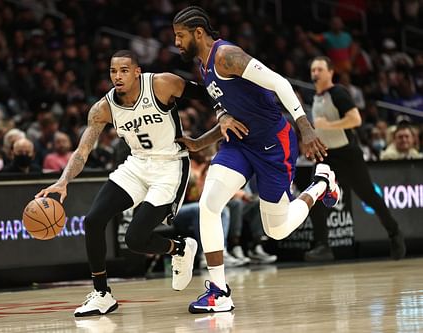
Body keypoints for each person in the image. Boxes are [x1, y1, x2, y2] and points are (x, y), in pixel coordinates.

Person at [36, 50, 229, 317]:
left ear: (137, 71)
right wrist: (63, 180)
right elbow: (82, 151)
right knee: (93, 220)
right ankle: (102, 294)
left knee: (135, 239)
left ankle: (181, 247)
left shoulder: (162, 84)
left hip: (170, 165)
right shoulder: (103, 108)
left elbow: (210, 94)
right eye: (113, 71)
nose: (118, 76)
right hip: (137, 164)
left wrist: (222, 118)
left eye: (124, 70)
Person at [172, 6, 339, 314]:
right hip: (239, 144)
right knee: (209, 205)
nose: (177, 43)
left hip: (273, 144)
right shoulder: (202, 64)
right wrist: (206, 134)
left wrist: (305, 128)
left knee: (276, 230)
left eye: (180, 36)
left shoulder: (227, 56)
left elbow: (281, 84)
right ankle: (219, 292)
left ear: (198, 33)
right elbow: (226, 105)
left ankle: (320, 184)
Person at [305, 56, 406, 262]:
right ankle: (323, 246)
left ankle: (395, 233)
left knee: (369, 196)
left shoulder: (338, 92)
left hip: (347, 154)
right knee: (314, 197)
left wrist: (327, 126)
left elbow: (356, 119)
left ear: (330, 72)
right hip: (326, 156)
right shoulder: (316, 97)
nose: (315, 73)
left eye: (320, 69)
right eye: (313, 70)